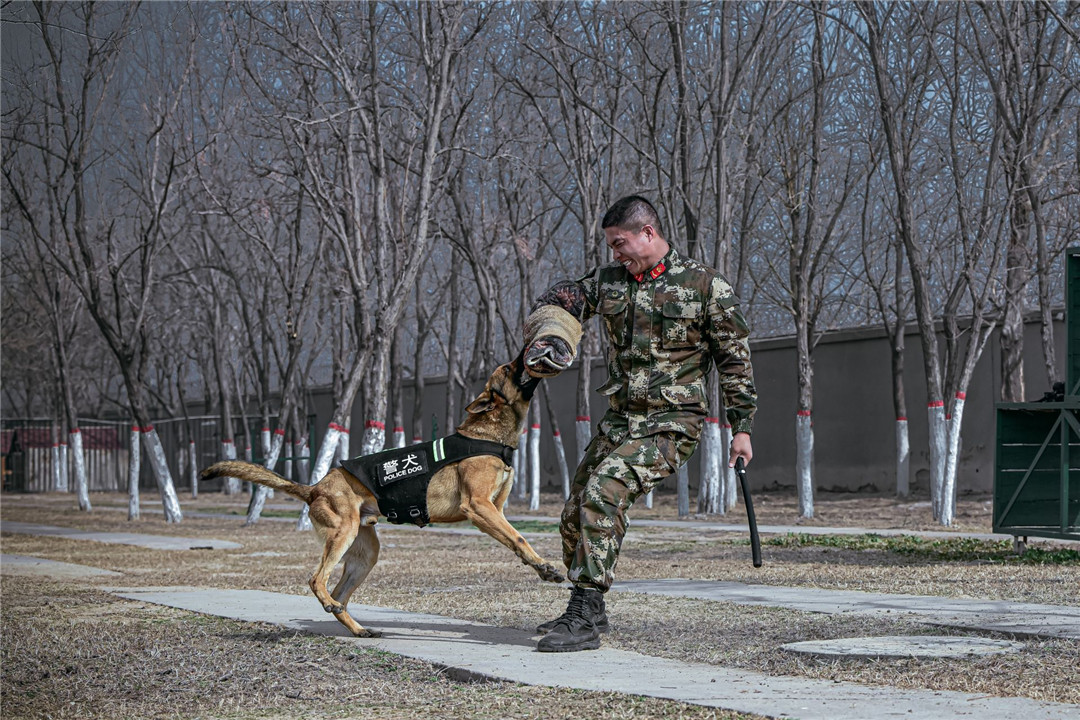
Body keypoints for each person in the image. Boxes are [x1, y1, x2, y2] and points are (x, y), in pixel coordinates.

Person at [522, 195, 757, 652]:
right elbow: (566, 300)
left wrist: (741, 426)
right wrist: (552, 329)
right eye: (611, 246)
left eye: (620, 243)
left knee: (604, 491)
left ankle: (585, 613)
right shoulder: (610, 282)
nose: (615, 254)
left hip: (673, 423)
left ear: (648, 234)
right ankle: (592, 606)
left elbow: (735, 361)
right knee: (573, 514)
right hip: (620, 421)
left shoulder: (705, 286)